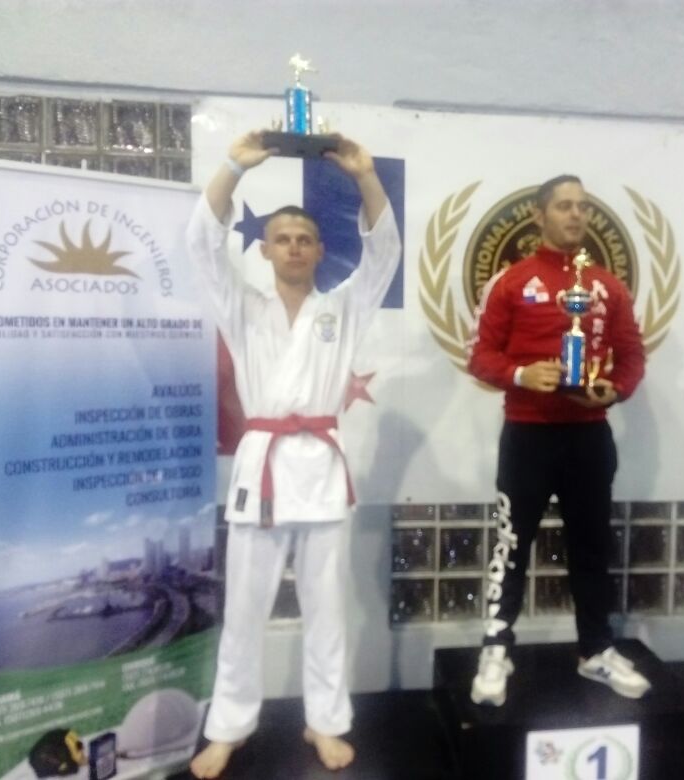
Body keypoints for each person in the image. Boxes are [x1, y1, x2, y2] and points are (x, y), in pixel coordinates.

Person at [185, 130, 401, 776]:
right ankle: (228, 727)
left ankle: (325, 722)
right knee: (244, 610)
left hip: (322, 473)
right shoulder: (242, 308)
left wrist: (365, 177)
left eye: (305, 239)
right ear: (266, 248)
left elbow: (384, 253)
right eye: (282, 238)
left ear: (320, 249)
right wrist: (233, 166)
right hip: (263, 470)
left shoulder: (343, 309)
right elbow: (200, 244)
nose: (295, 247)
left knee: (327, 610)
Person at [467, 174, 649, 706]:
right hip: (528, 436)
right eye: (564, 206)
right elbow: (480, 356)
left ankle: (595, 649)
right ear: (539, 215)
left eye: (583, 207)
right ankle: (496, 647)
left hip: (589, 437)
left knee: (591, 547)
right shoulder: (510, 282)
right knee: (512, 544)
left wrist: (615, 390)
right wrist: (522, 374)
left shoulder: (608, 287)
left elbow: (632, 357)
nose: (576, 215)